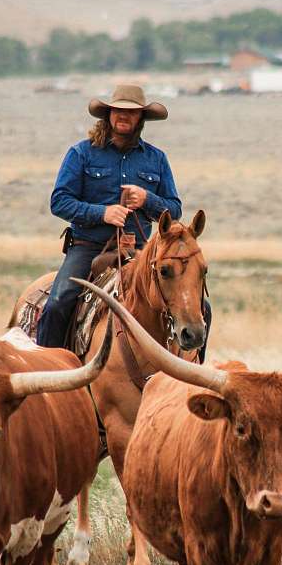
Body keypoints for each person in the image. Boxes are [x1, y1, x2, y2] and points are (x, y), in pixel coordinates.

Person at [36, 84, 211, 359]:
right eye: (118, 111)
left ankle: (194, 370)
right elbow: (59, 201)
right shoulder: (81, 154)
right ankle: (46, 371)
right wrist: (101, 213)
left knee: (203, 307)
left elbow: (174, 209)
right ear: (108, 114)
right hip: (88, 247)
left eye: (131, 113)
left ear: (141, 118)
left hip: (142, 253)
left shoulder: (156, 158)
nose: (124, 116)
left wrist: (147, 199)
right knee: (59, 301)